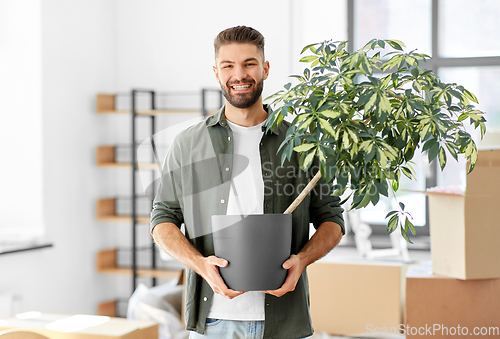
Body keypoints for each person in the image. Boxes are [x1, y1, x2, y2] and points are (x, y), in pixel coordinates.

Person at [151, 26, 344, 339]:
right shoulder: (188, 145)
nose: (239, 74)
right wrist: (201, 265)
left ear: (265, 68)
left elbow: (332, 218)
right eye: (228, 65)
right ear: (217, 73)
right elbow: (162, 219)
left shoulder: (302, 143)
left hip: (283, 322)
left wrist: (302, 260)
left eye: (249, 63)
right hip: (212, 321)